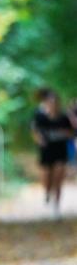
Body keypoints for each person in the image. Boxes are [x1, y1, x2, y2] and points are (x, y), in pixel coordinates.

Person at [30, 88, 77, 217]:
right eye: (50, 101)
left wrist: (65, 133)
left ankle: (56, 204)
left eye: (55, 101)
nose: (53, 104)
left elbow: (72, 132)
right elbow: (35, 131)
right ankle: (47, 192)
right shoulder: (40, 116)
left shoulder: (64, 117)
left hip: (60, 149)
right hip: (46, 150)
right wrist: (40, 140)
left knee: (59, 176)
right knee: (46, 175)